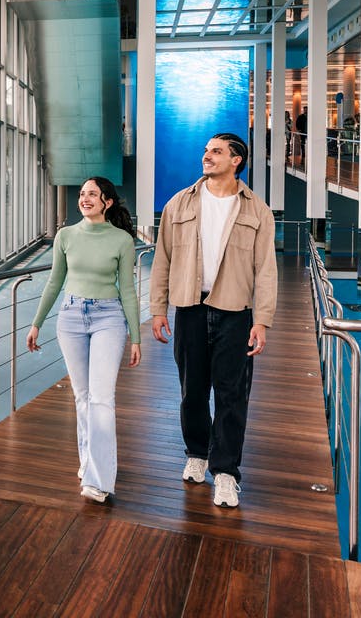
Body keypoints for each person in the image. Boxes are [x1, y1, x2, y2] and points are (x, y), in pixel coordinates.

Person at [149, 133, 277, 509]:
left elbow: (266, 270)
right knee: (192, 391)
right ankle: (197, 453)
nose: (207, 157)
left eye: (216, 152)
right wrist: (158, 309)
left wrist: (263, 320)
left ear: (236, 160)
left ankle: (224, 472)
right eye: (206, 151)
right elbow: (162, 260)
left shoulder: (257, 210)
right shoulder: (179, 203)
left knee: (232, 395)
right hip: (188, 309)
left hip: (235, 313)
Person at [26, 177, 142, 504]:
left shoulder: (121, 240)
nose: (85, 198)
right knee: (82, 397)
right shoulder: (66, 236)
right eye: (81, 194)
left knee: (101, 398)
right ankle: (88, 461)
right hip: (71, 318)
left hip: (109, 318)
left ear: (107, 202)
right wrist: (36, 323)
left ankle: (99, 481)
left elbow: (129, 292)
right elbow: (54, 283)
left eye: (92, 194)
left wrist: (136, 336)